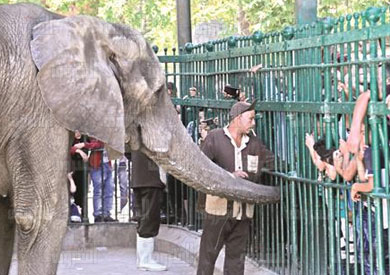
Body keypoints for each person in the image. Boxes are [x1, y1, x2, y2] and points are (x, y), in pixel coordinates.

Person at [196, 100, 275, 275]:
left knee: (236, 260)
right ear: (237, 118)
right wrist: (230, 175)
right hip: (218, 210)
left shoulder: (254, 143)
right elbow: (201, 169)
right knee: (208, 257)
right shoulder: (214, 138)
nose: (253, 123)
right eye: (251, 119)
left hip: (244, 211)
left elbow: (272, 162)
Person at [131, 151, 167, 271]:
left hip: (138, 178)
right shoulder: (150, 132)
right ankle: (145, 260)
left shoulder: (134, 132)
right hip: (151, 179)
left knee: (143, 218)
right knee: (149, 218)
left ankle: (143, 259)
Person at [88, 138, 116, 222]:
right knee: (98, 190)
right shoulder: (95, 133)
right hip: (98, 164)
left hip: (107, 163)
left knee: (109, 190)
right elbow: (93, 144)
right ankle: (98, 214)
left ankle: (106, 213)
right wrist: (104, 143)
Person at [69, 130, 89, 217]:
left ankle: (83, 214)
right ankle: (74, 213)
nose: (78, 133)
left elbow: (91, 145)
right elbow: (68, 148)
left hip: (83, 169)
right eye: (76, 131)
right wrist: (78, 151)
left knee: (83, 192)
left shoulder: (85, 139)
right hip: (73, 168)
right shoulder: (70, 139)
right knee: (73, 191)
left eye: (80, 131)